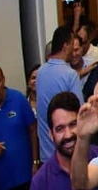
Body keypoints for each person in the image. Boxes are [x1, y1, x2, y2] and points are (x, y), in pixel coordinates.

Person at [34, 26, 84, 161]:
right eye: (72, 46)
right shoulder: (70, 75)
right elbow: (80, 115)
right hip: (68, 154)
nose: (73, 53)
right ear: (65, 46)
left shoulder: (40, 73)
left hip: (46, 154)